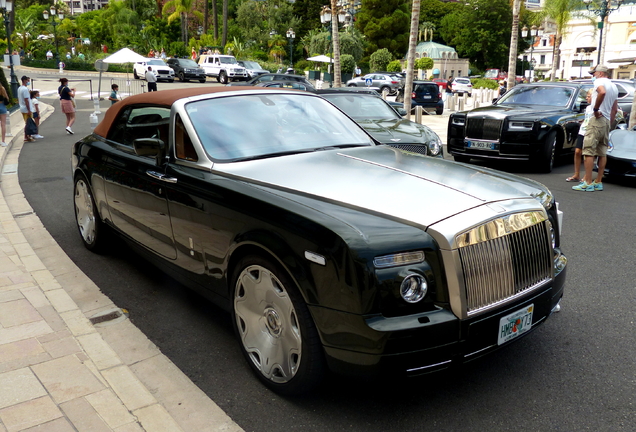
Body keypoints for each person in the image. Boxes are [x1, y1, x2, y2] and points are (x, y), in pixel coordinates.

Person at [572, 65, 618, 192]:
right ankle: (598, 181)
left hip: (597, 119)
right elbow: (615, 108)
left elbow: (602, 92)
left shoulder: (599, 82)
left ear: (600, 73)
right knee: (602, 151)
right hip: (606, 120)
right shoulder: (614, 86)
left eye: (594, 73)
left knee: (588, 150)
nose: (593, 76)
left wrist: (596, 109)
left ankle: (587, 182)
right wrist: (609, 122)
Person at [567, 89, 593, 183]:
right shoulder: (588, 108)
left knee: (588, 154)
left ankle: (587, 175)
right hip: (583, 130)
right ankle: (576, 174)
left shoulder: (598, 108)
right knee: (578, 151)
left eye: (589, 96)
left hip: (591, 132)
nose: (586, 98)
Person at [18, 76, 35, 142]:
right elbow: (26, 100)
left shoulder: (19, 88)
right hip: (26, 109)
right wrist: (29, 110)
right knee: (28, 123)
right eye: (28, 80)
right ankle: (27, 136)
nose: (28, 82)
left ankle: (27, 136)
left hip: (22, 108)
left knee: (27, 122)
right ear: (24, 80)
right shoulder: (25, 89)